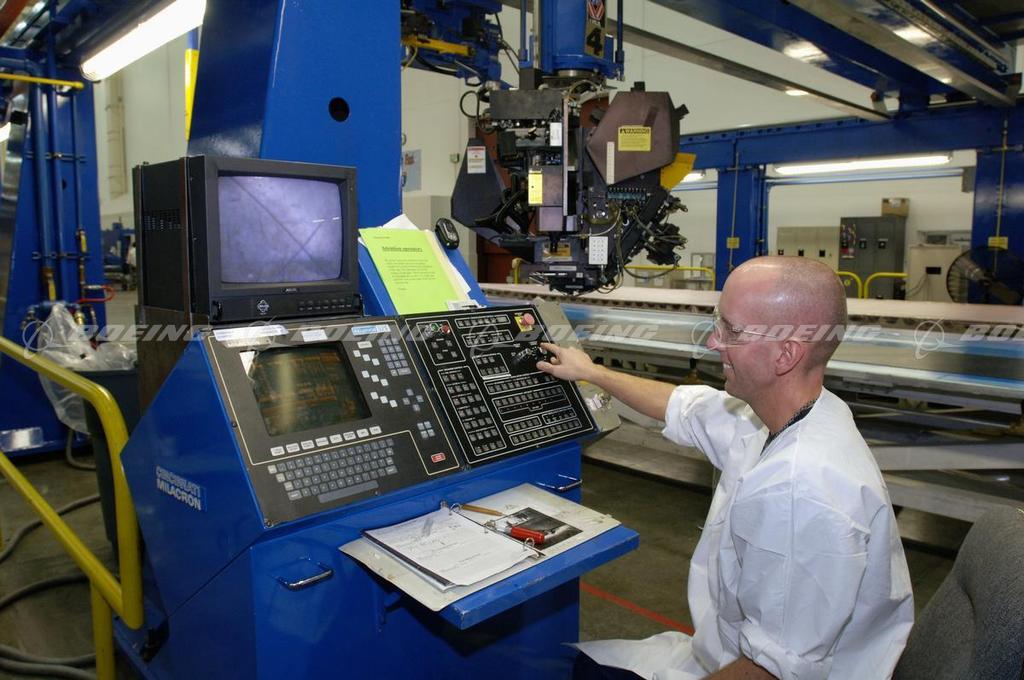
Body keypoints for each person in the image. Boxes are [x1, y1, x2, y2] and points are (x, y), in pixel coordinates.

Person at [536, 256, 914, 680]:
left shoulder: (802, 492)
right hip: (724, 653)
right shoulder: (786, 415)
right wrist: (591, 372)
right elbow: (683, 406)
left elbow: (774, 671)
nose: (713, 343)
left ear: (785, 354)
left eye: (731, 331)